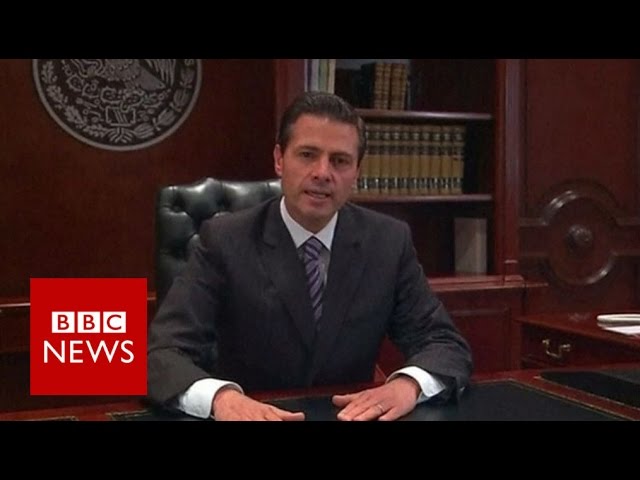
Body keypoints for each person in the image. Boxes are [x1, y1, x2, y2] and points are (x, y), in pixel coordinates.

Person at [147, 91, 473, 421]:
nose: (322, 172)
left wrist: (407, 385)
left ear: (357, 172)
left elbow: (445, 344)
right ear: (279, 159)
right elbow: (161, 355)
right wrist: (221, 399)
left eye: (340, 161)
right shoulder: (224, 240)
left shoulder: (388, 241)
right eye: (307, 155)